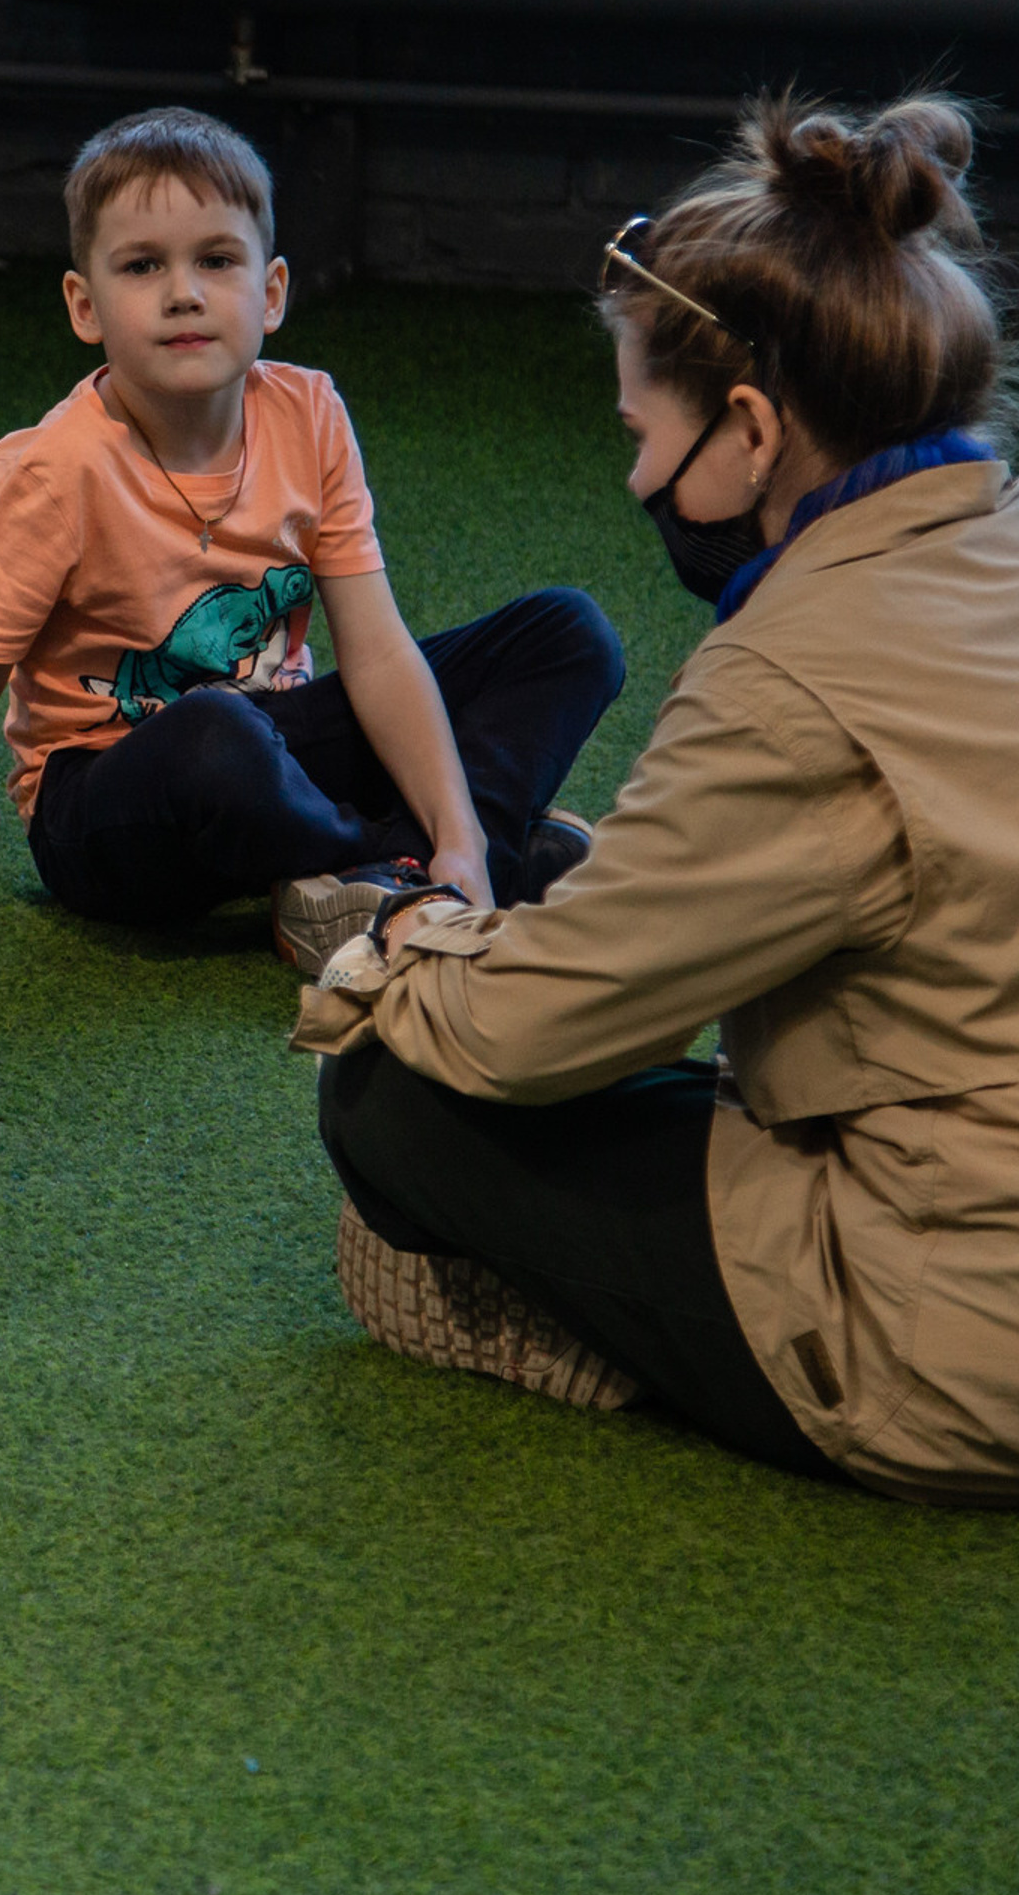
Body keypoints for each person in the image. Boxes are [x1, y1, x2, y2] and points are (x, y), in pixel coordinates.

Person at [299, 92, 1019, 1503]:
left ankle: (602, 1342)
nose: (637, 474)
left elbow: (527, 1031)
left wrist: (388, 952)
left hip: (954, 1348)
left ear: (750, 428)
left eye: (645, 434)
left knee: (393, 1098)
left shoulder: (787, 683)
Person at [0, 107, 623, 967]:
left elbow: (378, 651)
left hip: (276, 745)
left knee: (569, 635)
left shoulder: (308, 414)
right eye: (142, 265)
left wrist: (461, 828)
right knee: (216, 734)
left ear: (270, 293)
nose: (183, 291)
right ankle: (382, 866)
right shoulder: (48, 473)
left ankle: (459, 867)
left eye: (216, 260)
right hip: (105, 805)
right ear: (84, 306)